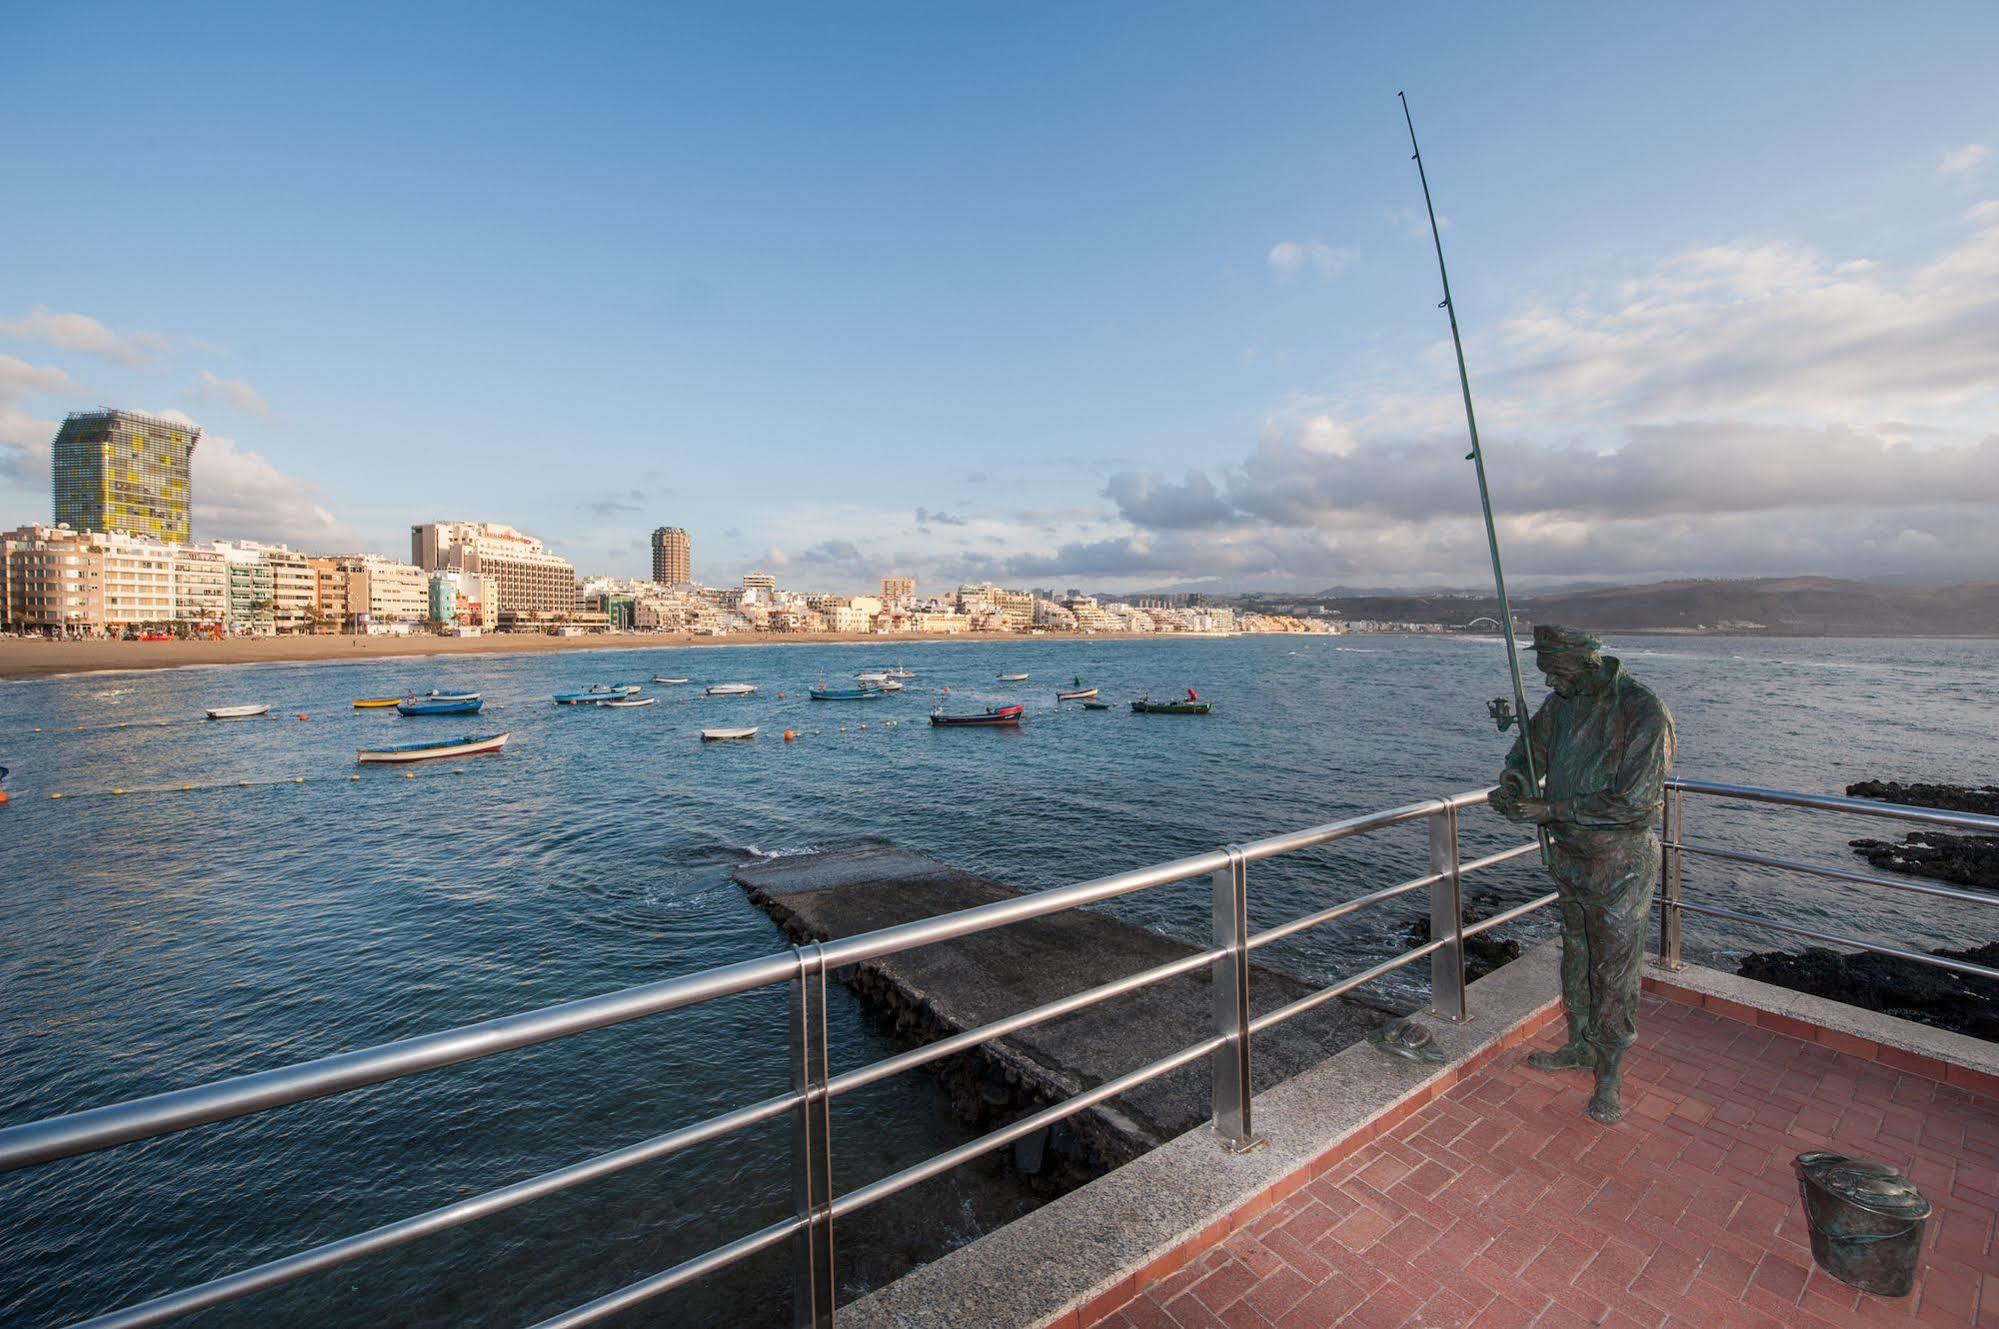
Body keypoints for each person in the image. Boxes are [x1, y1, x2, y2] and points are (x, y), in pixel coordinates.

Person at [1490, 625, 1675, 1124]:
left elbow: (1636, 802)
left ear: (1587, 662)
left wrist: (1550, 810)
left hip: (1620, 863)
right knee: (1576, 953)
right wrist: (1514, 785)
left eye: (1556, 670)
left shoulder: (1642, 711)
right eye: (1544, 671)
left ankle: (1610, 1072)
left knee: (1614, 966)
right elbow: (1529, 753)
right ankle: (1579, 1044)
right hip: (1570, 859)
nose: (1550, 682)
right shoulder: (1562, 703)